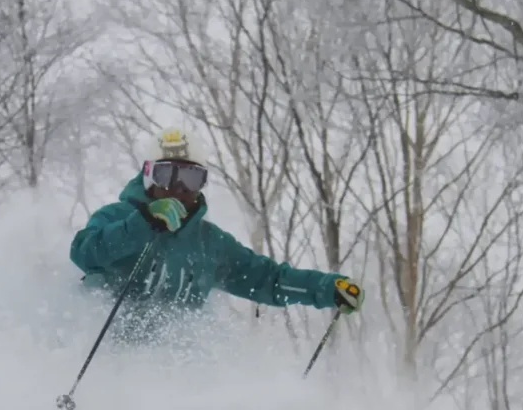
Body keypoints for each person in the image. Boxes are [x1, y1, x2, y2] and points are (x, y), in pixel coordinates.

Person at [69, 127, 363, 332]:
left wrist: (327, 289)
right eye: (166, 174)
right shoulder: (118, 217)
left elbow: (268, 280)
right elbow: (84, 253)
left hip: (167, 371)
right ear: (148, 176)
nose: (177, 187)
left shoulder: (209, 244)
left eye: (190, 178)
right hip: (106, 357)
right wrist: (142, 224)